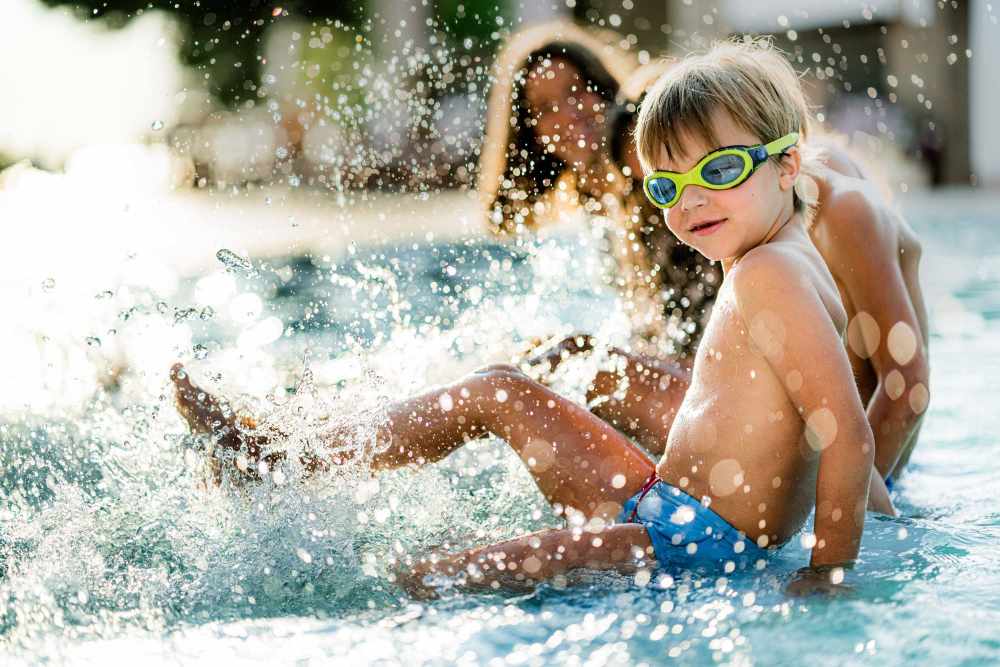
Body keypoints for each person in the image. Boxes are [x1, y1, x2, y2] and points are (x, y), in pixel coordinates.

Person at [171, 39, 882, 597]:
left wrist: (829, 573)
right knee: (498, 388)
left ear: (788, 166)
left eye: (719, 172)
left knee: (436, 576)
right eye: (669, 186)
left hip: (687, 544)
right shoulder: (771, 253)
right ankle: (292, 453)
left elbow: (846, 430)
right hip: (665, 503)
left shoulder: (770, 273)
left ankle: (291, 461)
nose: (692, 204)